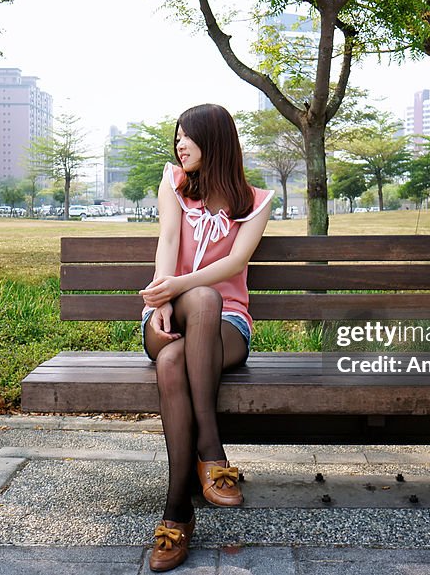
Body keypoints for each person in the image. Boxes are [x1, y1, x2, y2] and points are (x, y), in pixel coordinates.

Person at [138, 103, 273, 572]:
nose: (179, 145)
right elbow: (168, 245)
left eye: (187, 137)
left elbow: (233, 265)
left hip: (227, 327)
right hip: (168, 315)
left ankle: (177, 512)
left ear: (214, 140)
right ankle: (211, 453)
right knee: (199, 301)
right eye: (176, 137)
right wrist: (160, 300)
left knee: (197, 324)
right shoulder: (174, 185)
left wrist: (179, 285)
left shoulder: (255, 202)